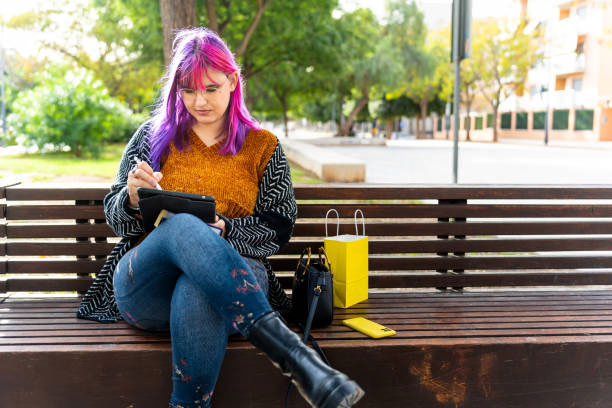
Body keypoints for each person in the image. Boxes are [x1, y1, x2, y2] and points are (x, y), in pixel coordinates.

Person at [75, 27, 364, 408]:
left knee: (199, 286)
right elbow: (115, 216)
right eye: (189, 90)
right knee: (182, 225)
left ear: (232, 81)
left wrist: (226, 229)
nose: (200, 101)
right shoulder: (151, 137)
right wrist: (130, 199)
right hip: (146, 289)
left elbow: (279, 228)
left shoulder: (262, 147)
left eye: (210, 88)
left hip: (234, 290)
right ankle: (293, 356)